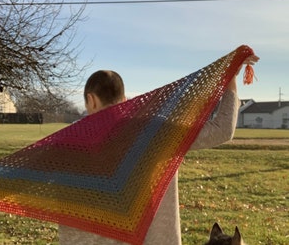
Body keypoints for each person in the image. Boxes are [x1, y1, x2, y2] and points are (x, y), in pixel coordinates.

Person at [59, 54, 259, 244]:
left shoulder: (65, 144)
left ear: (91, 99)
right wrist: (231, 77)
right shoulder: (156, 132)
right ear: (124, 99)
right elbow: (221, 129)